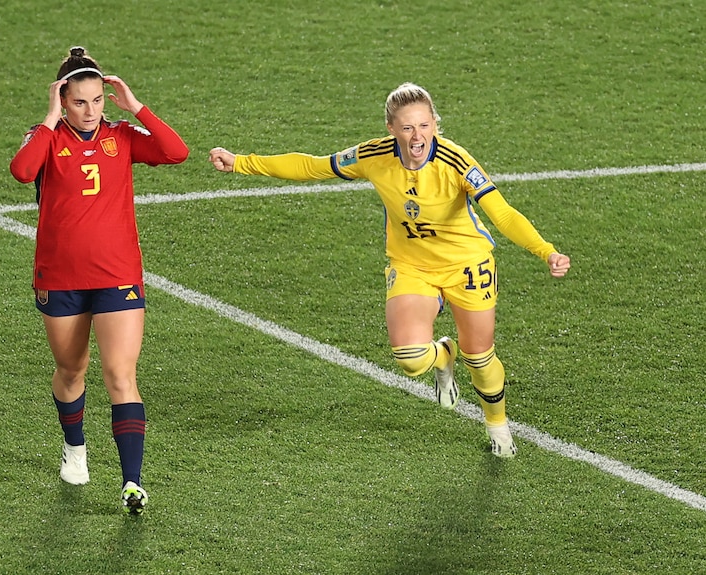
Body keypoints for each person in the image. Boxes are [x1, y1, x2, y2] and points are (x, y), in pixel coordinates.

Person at [209, 83, 570, 458]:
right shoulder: (374, 155)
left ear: (435, 124)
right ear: (391, 128)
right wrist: (241, 162)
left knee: (479, 356)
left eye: (425, 125)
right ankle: (444, 355)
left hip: (467, 263)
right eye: (408, 128)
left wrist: (546, 252)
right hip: (411, 265)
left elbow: (503, 213)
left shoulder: (456, 162)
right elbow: (312, 166)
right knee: (411, 357)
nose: (418, 136)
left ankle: (497, 425)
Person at [10, 46, 188, 512]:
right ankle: (75, 447)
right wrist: (49, 119)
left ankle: (132, 482)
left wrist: (136, 107)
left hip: (118, 275)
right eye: (78, 102)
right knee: (72, 372)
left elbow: (176, 152)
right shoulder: (44, 138)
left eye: (97, 101)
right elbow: (21, 170)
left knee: (120, 375)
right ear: (62, 101)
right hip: (62, 277)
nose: (90, 111)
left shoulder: (122, 135)